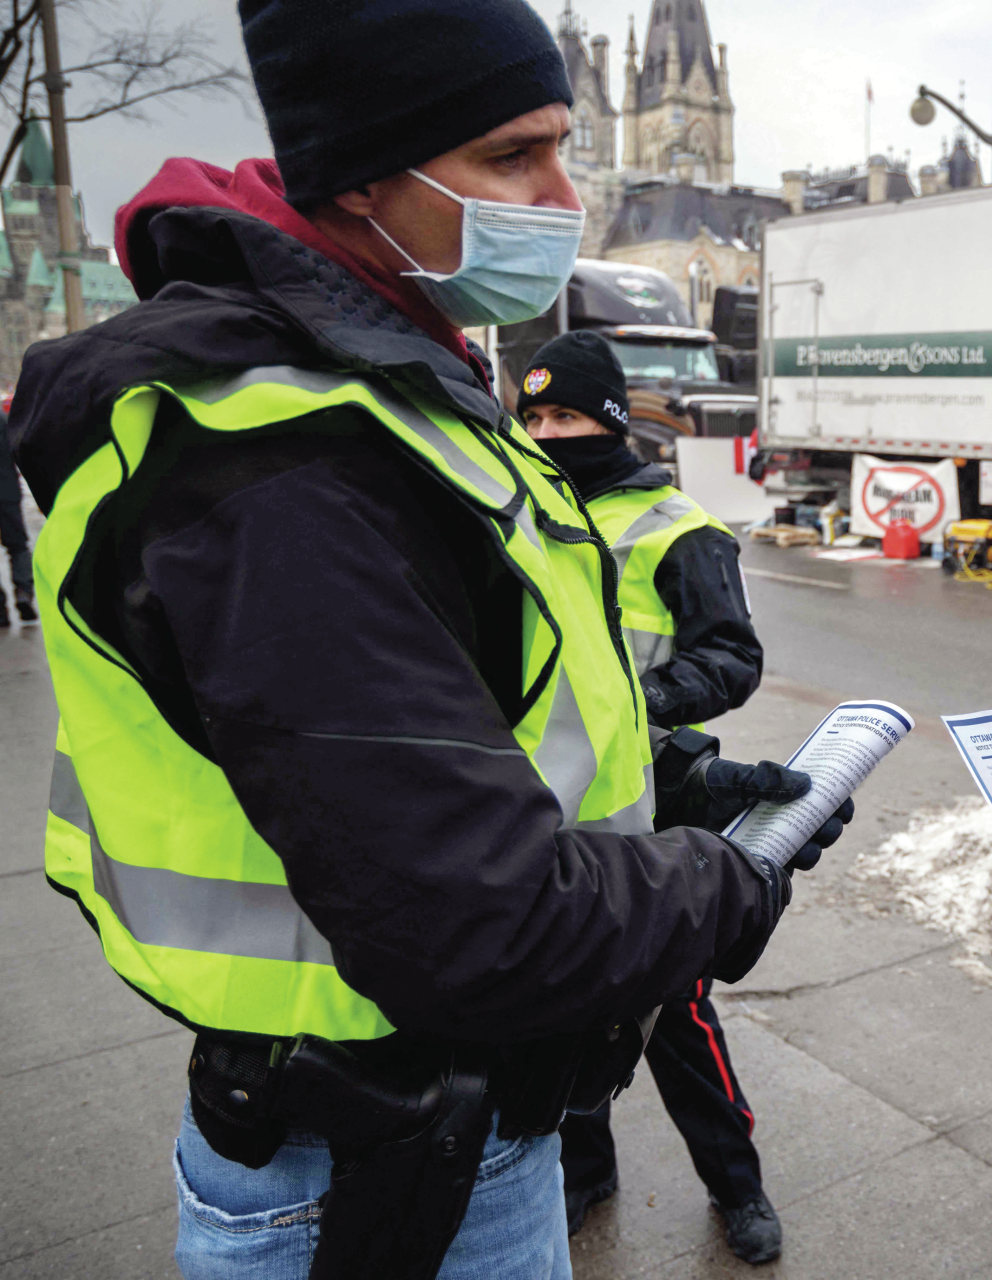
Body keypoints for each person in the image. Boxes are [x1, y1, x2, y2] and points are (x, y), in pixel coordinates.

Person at [7, 2, 849, 1276]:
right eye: (514, 157)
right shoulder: (278, 458)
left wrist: (664, 787)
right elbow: (481, 925)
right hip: (360, 1179)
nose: (565, 197)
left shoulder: (386, 376)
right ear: (361, 173)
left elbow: (442, 714)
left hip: (440, 1133)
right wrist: (730, 883)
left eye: (568, 144)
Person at [513, 329, 780, 1260]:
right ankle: (586, 1171)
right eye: (534, 415)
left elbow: (733, 659)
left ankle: (736, 1186)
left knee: (675, 1014)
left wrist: (640, 703)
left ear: (612, 422)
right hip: (549, 810)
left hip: (651, 804)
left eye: (568, 415)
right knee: (567, 1004)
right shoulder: (510, 518)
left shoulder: (678, 528)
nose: (547, 433)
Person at [0, 400, 34, 624]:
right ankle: (23, 592)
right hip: (6, 491)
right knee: (18, 546)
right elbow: (18, 449)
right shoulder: (2, 418)